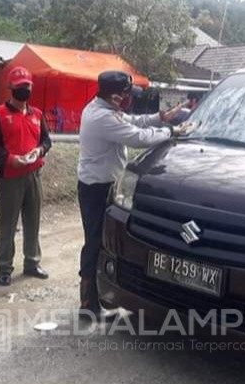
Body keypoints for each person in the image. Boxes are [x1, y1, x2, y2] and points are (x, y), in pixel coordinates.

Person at [77, 70, 188, 315]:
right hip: (96, 188)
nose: (130, 99)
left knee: (104, 240)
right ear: (116, 97)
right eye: (127, 95)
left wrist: (161, 117)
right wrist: (172, 132)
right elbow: (136, 137)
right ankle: (88, 303)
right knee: (95, 242)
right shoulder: (100, 117)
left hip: (103, 184)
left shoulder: (105, 109)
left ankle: (100, 295)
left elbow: (133, 121)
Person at [0, 66, 52, 286]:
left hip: (33, 175)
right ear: (11, 88)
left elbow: (46, 141)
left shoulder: (37, 114)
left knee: (33, 220)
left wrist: (39, 151)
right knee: (8, 223)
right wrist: (9, 158)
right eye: (20, 87)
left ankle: (32, 262)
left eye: (27, 87)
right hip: (10, 177)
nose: (24, 90)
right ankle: (5, 267)